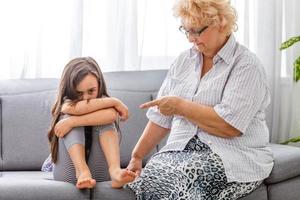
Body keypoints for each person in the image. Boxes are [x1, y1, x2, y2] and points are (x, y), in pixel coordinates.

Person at [126, 0, 274, 199]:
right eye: (186, 31)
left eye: (196, 31)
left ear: (221, 23)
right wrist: (137, 156)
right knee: (153, 175)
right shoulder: (183, 61)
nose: (190, 39)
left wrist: (180, 106)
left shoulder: (247, 66)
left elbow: (229, 126)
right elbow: (161, 117)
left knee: (185, 177)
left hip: (232, 155)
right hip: (180, 152)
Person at [46, 57, 136, 189]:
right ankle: (82, 171)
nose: (86, 98)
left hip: (100, 172)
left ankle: (115, 171)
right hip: (69, 173)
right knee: (67, 119)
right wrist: (114, 102)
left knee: (105, 120)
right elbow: (72, 109)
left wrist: (73, 122)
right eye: (79, 93)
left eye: (91, 91)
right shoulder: (67, 103)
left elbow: (111, 115)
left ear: (99, 85)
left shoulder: (104, 102)